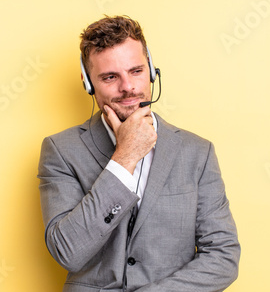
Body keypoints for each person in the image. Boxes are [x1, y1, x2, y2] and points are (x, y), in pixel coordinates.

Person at [38, 15, 240, 292]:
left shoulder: (197, 152)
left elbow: (222, 257)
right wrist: (124, 157)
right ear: (89, 84)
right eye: (110, 77)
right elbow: (68, 252)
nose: (128, 88)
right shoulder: (61, 150)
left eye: (136, 71)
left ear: (152, 72)